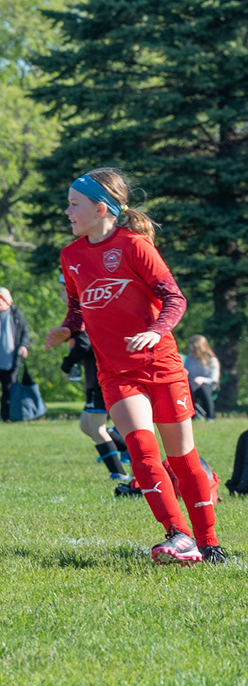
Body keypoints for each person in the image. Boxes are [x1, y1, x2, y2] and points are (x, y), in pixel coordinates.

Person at [42, 168, 227, 565]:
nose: (67, 211)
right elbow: (78, 307)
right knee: (142, 453)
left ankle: (210, 543)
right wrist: (67, 329)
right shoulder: (71, 255)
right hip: (115, 371)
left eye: (74, 204)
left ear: (101, 208)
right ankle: (178, 535)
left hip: (161, 365)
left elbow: (174, 298)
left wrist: (156, 331)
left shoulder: (134, 246)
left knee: (182, 458)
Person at [60, 328, 140, 494]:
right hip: (97, 383)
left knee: (97, 430)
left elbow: (83, 345)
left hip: (100, 382)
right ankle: (130, 451)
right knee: (86, 426)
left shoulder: (92, 322)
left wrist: (67, 365)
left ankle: (119, 473)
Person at [0, 289, 31, 420]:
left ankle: (7, 417)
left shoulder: (15, 313)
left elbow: (25, 332)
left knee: (9, 391)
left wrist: (24, 346)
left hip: (9, 361)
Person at [185, 335, 221, 422]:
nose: (192, 353)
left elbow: (214, 379)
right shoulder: (189, 358)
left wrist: (202, 380)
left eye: (194, 350)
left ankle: (210, 417)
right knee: (186, 390)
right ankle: (189, 416)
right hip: (191, 384)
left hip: (207, 385)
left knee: (203, 390)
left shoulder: (211, 360)